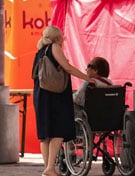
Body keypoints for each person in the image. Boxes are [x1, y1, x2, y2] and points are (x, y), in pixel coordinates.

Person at [32, 25, 94, 176]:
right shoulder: (54, 47)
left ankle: (48, 168)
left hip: (41, 95)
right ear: (57, 38)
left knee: (45, 134)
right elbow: (68, 68)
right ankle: (50, 168)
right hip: (56, 96)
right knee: (59, 130)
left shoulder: (40, 52)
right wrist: (88, 79)